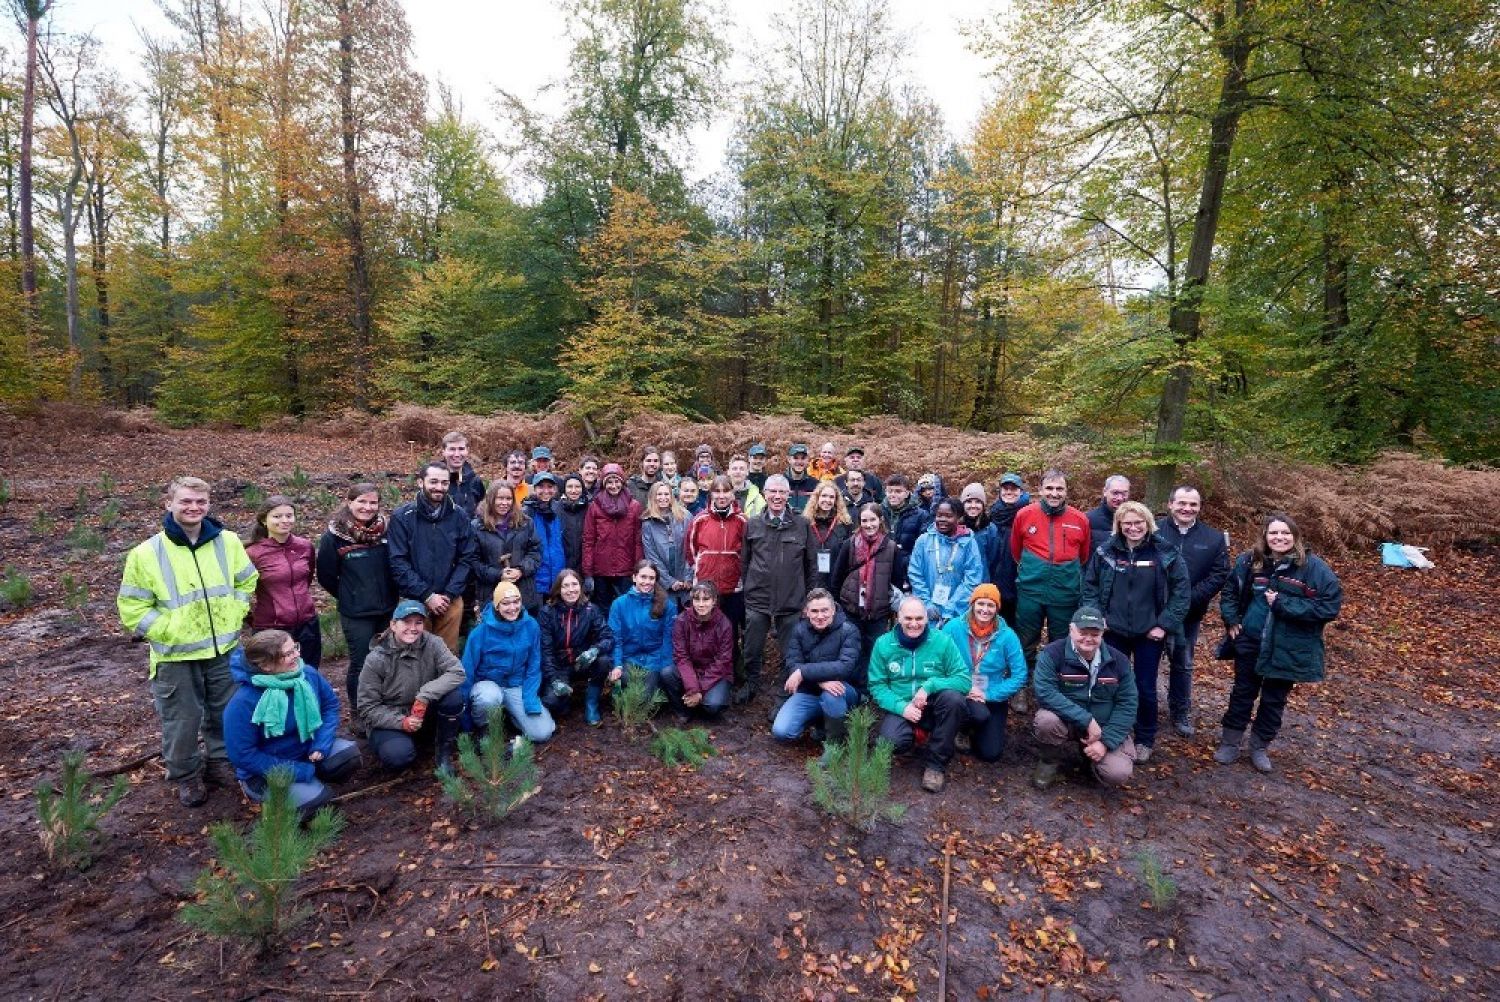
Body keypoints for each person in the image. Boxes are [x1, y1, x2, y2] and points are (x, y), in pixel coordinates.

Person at [118, 476, 258, 807]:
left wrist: (236, 611)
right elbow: (132, 607)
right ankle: (186, 774)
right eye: (185, 502)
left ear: (208, 504)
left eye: (200, 502)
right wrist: (169, 630)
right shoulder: (146, 553)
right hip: (175, 656)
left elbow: (247, 580)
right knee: (181, 719)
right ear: (169, 503)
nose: (194, 508)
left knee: (224, 711)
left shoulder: (228, 542)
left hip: (222, 649)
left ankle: (221, 762)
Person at [1216, 513, 1343, 772]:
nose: (1279, 537)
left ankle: (1259, 747)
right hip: (1250, 641)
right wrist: (1231, 620)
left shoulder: (1313, 568)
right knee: (1242, 693)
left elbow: (1329, 606)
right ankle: (1230, 742)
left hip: (1289, 646)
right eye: (1273, 533)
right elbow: (1230, 592)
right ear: (1265, 536)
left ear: (1294, 536)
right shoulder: (1249, 561)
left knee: (1274, 699)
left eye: (1285, 533)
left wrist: (1285, 604)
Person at [1081, 502, 1189, 762]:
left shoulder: (1165, 552)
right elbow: (1090, 587)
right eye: (1127, 523)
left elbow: (1181, 593)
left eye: (1138, 522)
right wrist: (1098, 620)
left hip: (1148, 633)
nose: (1133, 527)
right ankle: (1108, 733)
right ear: (1119, 525)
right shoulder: (1106, 552)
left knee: (1145, 687)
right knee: (1108, 684)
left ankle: (1145, 737)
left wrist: (1163, 624)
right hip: (1113, 630)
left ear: (1148, 522)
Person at [224, 629, 360, 819]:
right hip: (265, 772)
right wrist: (297, 771)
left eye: (295, 648)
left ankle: (309, 782)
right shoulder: (243, 703)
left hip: (306, 752)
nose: (297, 655)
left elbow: (330, 706)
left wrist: (321, 744)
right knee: (317, 804)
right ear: (266, 665)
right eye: (288, 654)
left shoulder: (307, 675)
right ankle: (281, 792)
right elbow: (242, 754)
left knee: (348, 756)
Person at [867, 597, 971, 793]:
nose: (914, 624)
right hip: (902, 705)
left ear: (926, 618)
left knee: (954, 700)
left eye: (919, 618)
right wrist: (901, 707)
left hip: (933, 705)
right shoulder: (883, 644)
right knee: (891, 742)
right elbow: (877, 686)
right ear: (898, 618)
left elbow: (963, 680)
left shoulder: (942, 641)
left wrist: (930, 686)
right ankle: (914, 736)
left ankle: (936, 765)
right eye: (908, 618)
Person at [1031, 607, 1138, 789]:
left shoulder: (1119, 661)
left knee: (1117, 773)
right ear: (1071, 629)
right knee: (1046, 721)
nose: (1088, 639)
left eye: (1094, 633)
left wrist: (1105, 742)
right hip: (1068, 721)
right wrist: (1086, 720)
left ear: (1103, 633)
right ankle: (1049, 762)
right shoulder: (1052, 654)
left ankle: (1092, 761)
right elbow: (1045, 692)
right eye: (1082, 632)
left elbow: (1128, 704)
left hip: (1105, 726)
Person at [357, 599, 466, 773]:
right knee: (398, 757)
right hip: (392, 718)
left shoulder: (433, 643)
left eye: (418, 622)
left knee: (454, 698)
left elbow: (457, 671)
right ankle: (403, 743)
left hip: (423, 711)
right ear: (393, 625)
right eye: (406, 622)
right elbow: (367, 707)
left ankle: (443, 753)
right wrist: (402, 722)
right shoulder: (376, 659)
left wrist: (425, 694)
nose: (413, 628)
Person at [1155, 486, 1230, 737]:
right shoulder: (1153, 530)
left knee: (1183, 663)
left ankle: (1180, 710)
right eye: (1182, 503)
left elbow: (1219, 574)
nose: (1187, 509)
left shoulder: (1213, 538)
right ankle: (1144, 706)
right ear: (1170, 504)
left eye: (1193, 505)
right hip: (1152, 611)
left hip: (1189, 614)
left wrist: (1186, 600)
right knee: (1147, 661)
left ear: (1199, 507)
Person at [739, 474, 818, 703]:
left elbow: (811, 565)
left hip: (791, 601)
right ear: (764, 494)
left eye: (782, 492)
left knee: (790, 651)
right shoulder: (752, 524)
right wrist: (749, 588)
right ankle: (751, 683)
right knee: (752, 648)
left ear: (788, 495)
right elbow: (745, 561)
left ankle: (784, 693)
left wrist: (808, 599)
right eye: (772, 491)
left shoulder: (801, 524)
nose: (777, 496)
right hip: (758, 599)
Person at [317, 483, 398, 704]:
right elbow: (325, 576)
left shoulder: (388, 531)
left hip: (388, 609)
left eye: (373, 502)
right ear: (349, 502)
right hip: (356, 613)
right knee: (362, 663)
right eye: (362, 501)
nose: (367, 507)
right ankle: (359, 710)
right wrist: (349, 594)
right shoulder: (334, 537)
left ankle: (386, 704)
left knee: (389, 659)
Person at [387, 461, 477, 655]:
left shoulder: (459, 516)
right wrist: (427, 595)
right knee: (414, 652)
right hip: (415, 597)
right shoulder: (403, 517)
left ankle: (445, 686)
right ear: (421, 482)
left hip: (449, 597)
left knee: (447, 653)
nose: (439, 487)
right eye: (433, 481)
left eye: (444, 483)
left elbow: (467, 557)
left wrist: (449, 594)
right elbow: (398, 561)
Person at [1010, 469, 1091, 666]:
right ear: (1040, 490)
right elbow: (1016, 551)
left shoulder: (1080, 520)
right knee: (1025, 636)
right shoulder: (1024, 515)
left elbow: (1084, 556)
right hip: (1030, 589)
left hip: (1065, 591)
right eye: (1049, 488)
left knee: (1062, 639)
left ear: (1066, 491)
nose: (1054, 493)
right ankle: (1024, 678)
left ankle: (1056, 676)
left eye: (1059, 489)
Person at [941, 585, 1027, 763]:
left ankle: (975, 729)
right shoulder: (953, 627)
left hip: (992, 692)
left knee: (990, 753)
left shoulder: (1007, 636)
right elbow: (937, 659)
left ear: (997, 608)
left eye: (991, 605)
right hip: (960, 688)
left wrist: (989, 694)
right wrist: (956, 684)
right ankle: (962, 729)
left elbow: (1020, 674)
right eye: (980, 603)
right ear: (972, 604)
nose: (985, 610)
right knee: (977, 714)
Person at [462, 581, 555, 744]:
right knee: (488, 698)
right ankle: (484, 728)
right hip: (488, 685)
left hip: (516, 685)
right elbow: (467, 671)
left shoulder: (531, 626)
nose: (512, 608)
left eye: (516, 601)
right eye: (505, 603)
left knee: (543, 733)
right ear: (496, 606)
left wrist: (530, 699)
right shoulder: (480, 633)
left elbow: (534, 666)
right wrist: (465, 716)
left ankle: (514, 717)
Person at [771, 588, 863, 749]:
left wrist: (804, 672)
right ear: (806, 612)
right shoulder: (799, 630)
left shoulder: (849, 631)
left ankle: (835, 745)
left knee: (832, 694)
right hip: (810, 692)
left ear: (833, 610)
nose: (820, 616)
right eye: (814, 611)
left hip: (844, 692)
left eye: (824, 610)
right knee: (781, 731)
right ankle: (819, 721)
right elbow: (792, 664)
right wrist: (820, 681)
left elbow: (844, 667)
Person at [830, 502, 910, 670]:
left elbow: (896, 582)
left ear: (880, 520)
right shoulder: (849, 544)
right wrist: (838, 605)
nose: (868, 525)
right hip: (851, 609)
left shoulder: (891, 547)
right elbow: (837, 577)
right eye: (864, 521)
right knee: (852, 650)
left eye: (872, 520)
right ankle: (855, 690)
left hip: (878, 612)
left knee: (875, 652)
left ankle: (871, 689)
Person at [246, 495, 322, 669]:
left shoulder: (304, 546)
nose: (284, 520)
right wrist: (252, 618)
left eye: (289, 515)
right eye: (277, 516)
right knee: (276, 676)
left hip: (307, 623)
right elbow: (242, 591)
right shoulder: (253, 553)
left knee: (309, 672)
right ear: (264, 520)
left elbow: (306, 580)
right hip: (271, 627)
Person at [538, 569, 614, 725]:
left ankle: (591, 704)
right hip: (559, 666)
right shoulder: (547, 612)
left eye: (575, 584)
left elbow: (607, 636)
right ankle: (564, 700)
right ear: (558, 589)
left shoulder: (590, 609)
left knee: (603, 661)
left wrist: (594, 650)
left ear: (581, 586)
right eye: (566, 586)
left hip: (581, 661)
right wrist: (553, 679)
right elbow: (545, 651)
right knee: (553, 702)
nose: (571, 590)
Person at [686, 475, 748, 659]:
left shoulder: (742, 520)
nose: (721, 496)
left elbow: (748, 551)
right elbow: (691, 551)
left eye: (726, 491)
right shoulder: (700, 520)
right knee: (706, 631)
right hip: (706, 588)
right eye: (717, 491)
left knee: (731, 631)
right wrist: (700, 571)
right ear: (711, 494)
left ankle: (733, 673)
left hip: (733, 588)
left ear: (732, 493)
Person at [908, 498, 986, 627]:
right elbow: (915, 573)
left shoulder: (968, 543)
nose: (942, 519)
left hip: (958, 612)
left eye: (948, 516)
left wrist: (951, 609)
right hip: (926, 611)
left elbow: (972, 579)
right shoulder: (923, 540)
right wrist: (926, 603)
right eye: (939, 515)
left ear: (959, 517)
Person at [607, 560, 678, 701]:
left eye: (651, 578)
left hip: (654, 659)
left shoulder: (667, 605)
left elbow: (668, 639)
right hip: (629, 658)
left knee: (645, 699)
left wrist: (662, 668)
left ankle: (659, 689)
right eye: (643, 577)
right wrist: (617, 665)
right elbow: (616, 638)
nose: (647, 581)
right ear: (634, 577)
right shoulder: (619, 604)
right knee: (627, 692)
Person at [664, 580, 735, 720]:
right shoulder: (681, 621)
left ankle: (701, 703)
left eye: (706, 599)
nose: (701, 604)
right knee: (667, 673)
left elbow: (723, 661)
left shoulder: (724, 624)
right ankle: (683, 711)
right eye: (696, 599)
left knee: (712, 705)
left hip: (716, 673)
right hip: (691, 669)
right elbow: (681, 657)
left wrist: (699, 690)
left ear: (714, 601)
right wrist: (693, 688)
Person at [472, 481, 542, 614]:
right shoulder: (477, 527)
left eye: (508, 498)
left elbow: (535, 552)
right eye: (500, 498)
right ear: (491, 499)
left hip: (524, 592)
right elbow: (473, 561)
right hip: (490, 593)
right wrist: (498, 574)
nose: (504, 503)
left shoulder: (526, 523)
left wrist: (521, 570)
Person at [583, 463, 645, 612]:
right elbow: (588, 540)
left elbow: (638, 540)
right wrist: (588, 572)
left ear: (622, 482)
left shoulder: (634, 506)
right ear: (604, 484)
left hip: (626, 569)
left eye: (616, 481)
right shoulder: (595, 507)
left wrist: (638, 569)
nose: (613, 485)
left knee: (626, 608)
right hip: (601, 569)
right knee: (603, 609)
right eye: (609, 482)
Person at [987, 473, 1030, 626]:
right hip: (996, 576)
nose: (1009, 492)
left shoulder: (1028, 513)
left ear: (1021, 491)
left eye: (1014, 489)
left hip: (1019, 579)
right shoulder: (993, 513)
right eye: (1005, 488)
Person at [641, 481, 692, 606]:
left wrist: (688, 576)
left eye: (666, 494)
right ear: (653, 497)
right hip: (663, 582)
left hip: (686, 578)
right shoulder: (647, 523)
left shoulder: (685, 516)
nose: (663, 498)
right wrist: (669, 581)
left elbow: (692, 548)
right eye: (659, 494)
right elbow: (651, 556)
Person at [524, 471, 568, 598]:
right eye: (541, 487)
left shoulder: (559, 509)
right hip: (536, 577)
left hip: (558, 575)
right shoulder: (527, 512)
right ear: (534, 488)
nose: (546, 491)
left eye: (549, 487)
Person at [806, 482, 852, 591]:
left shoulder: (844, 525)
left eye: (832, 497)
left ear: (836, 501)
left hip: (835, 583)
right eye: (824, 496)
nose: (827, 500)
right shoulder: (806, 524)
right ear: (817, 498)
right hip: (811, 584)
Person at [958, 484, 999, 582]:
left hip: (981, 580)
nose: (973, 506)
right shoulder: (955, 527)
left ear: (983, 505)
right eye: (968, 502)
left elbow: (993, 558)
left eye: (978, 502)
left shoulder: (990, 529)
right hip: (958, 579)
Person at [881, 474, 930, 554]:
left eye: (898, 491)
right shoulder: (878, 511)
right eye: (890, 491)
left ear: (907, 494)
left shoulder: (921, 515)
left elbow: (924, 544)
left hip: (908, 561)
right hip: (883, 561)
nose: (893, 495)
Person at [441, 431, 486, 516]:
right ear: (443, 452)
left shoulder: (475, 481)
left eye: (461, 449)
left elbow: (482, 510)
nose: (457, 454)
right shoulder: (435, 481)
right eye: (452, 449)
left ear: (467, 451)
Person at [1087, 474, 1131, 552]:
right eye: (1115, 493)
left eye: (1124, 493)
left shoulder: (1136, 521)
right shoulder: (1088, 520)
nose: (1120, 498)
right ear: (1105, 492)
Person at [558, 474, 589, 573]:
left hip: (584, 564)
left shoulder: (589, 508)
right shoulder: (555, 509)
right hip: (562, 563)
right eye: (570, 487)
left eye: (577, 487)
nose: (574, 490)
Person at [784, 444, 819, 513]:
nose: (799, 462)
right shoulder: (780, 482)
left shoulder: (816, 484)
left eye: (803, 458)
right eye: (795, 458)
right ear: (789, 459)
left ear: (807, 460)